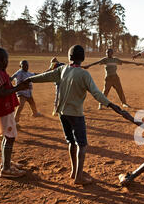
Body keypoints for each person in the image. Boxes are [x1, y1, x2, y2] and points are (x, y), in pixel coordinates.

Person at [24, 45, 124, 185]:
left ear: (69, 57)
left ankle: (74, 171)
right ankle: (79, 177)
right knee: (82, 145)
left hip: (62, 113)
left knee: (71, 141)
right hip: (76, 114)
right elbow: (96, 93)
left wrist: (29, 79)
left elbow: (44, 76)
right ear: (82, 58)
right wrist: (111, 104)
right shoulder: (84, 74)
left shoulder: (62, 69)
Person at [0, 47, 29, 178]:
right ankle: (6, 169)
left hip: (5, 109)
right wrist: (19, 87)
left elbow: (2, 87)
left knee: (8, 136)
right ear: (2, 60)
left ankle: (6, 163)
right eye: (7, 59)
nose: (8, 61)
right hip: (4, 110)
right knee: (10, 137)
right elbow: (1, 92)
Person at [10, 60, 42, 124]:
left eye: (27, 65)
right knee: (20, 106)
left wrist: (43, 74)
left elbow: (34, 74)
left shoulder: (28, 73)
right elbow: (11, 78)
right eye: (24, 65)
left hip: (28, 92)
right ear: (20, 66)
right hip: (21, 93)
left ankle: (35, 113)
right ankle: (15, 121)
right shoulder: (18, 73)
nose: (26, 67)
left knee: (32, 103)